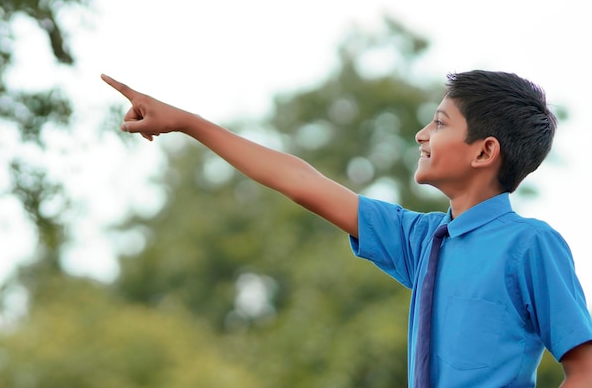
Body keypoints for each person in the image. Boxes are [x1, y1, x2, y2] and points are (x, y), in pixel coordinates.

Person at [101, 70, 592, 387]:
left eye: (440, 124)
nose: (422, 134)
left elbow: (584, 369)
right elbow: (301, 182)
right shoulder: (423, 242)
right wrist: (188, 123)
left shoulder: (530, 244)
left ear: (484, 152)